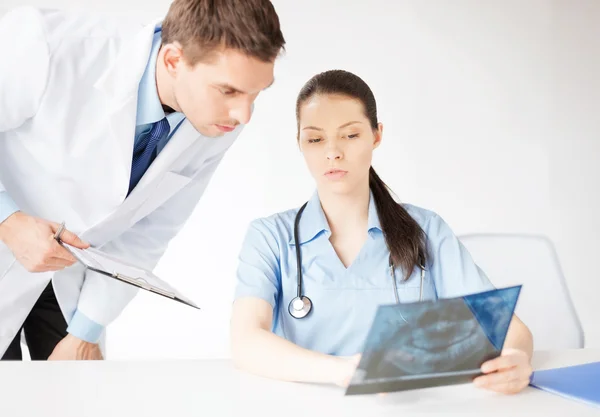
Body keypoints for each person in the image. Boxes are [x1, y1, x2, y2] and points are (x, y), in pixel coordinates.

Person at [0, 0, 284, 360]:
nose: (244, 114)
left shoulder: (220, 121)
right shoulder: (50, 44)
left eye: (257, 92)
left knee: (73, 401)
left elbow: (151, 229)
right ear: (173, 61)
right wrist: (7, 220)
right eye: (228, 91)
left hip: (68, 280)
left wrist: (85, 331)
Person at [230, 69, 534, 395]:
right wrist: (344, 371)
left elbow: (510, 329)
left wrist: (516, 359)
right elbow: (246, 340)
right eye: (316, 139)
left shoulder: (426, 229)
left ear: (377, 136)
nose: (333, 152)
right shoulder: (270, 237)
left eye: (350, 135)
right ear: (300, 144)